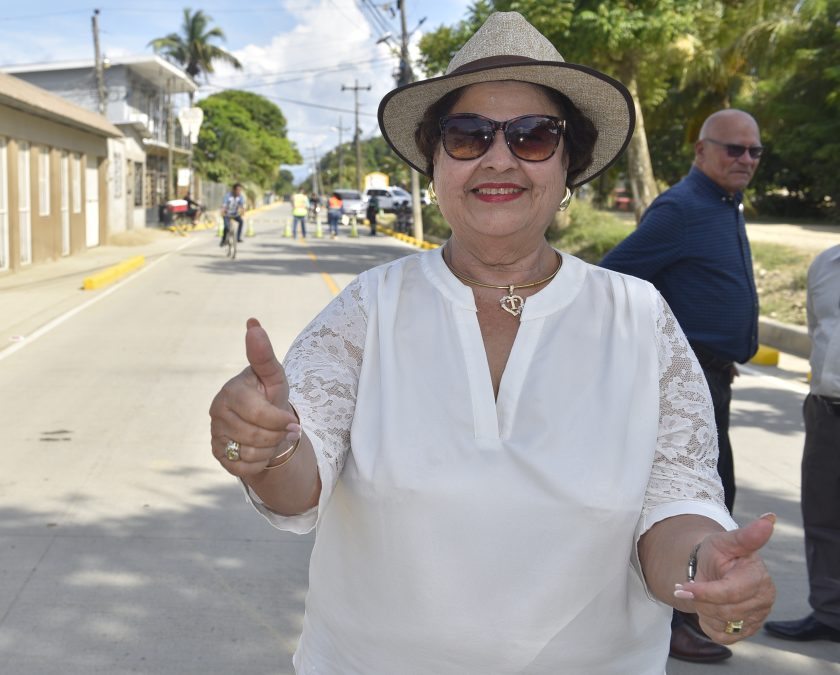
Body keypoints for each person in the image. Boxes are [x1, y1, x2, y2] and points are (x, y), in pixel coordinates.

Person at [208, 12, 776, 673]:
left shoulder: (640, 317)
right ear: (435, 162)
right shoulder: (367, 309)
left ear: (570, 165)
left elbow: (674, 509)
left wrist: (706, 569)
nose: (499, 157)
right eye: (467, 135)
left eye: (534, 136)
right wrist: (265, 444)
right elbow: (298, 483)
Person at [600, 109, 763, 663]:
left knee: (715, 496)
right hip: (688, 385)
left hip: (717, 374)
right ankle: (684, 623)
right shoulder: (682, 208)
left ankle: (692, 613)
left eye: (754, 152)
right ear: (700, 151)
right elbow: (615, 278)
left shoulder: (722, 204)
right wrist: (676, 353)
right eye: (733, 150)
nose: (745, 160)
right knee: (699, 503)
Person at [763, 244, 840, 644]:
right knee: (823, 516)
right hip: (826, 409)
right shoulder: (825, 265)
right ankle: (831, 613)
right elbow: (818, 330)